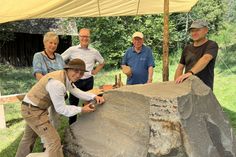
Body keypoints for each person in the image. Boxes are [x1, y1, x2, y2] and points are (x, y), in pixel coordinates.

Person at [15, 59, 105, 157]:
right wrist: (81, 109)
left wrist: (93, 96)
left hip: (30, 107)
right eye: (76, 71)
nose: (78, 75)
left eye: (81, 73)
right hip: (33, 111)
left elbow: (75, 91)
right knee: (54, 141)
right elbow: (61, 109)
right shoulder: (57, 83)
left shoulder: (65, 76)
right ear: (68, 69)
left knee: (28, 139)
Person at [61, 28, 105, 125]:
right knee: (73, 103)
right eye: (82, 36)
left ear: (89, 38)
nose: (85, 38)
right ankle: (72, 126)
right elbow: (60, 60)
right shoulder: (72, 50)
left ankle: (87, 124)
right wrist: (66, 72)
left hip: (88, 80)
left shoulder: (94, 51)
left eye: (87, 36)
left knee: (89, 102)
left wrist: (95, 71)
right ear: (79, 37)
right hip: (75, 81)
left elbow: (102, 62)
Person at [174, 19, 219, 90]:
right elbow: (180, 67)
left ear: (206, 30)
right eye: (192, 31)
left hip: (204, 89)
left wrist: (190, 72)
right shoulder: (187, 48)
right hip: (187, 88)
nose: (194, 33)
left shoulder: (211, 45)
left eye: (197, 30)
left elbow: (206, 58)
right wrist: (176, 84)